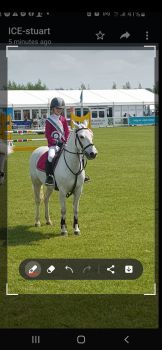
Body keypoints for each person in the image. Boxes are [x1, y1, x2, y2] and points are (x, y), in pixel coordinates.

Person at [45, 97, 90, 186]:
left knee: (80, 155)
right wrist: (56, 142)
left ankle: (82, 175)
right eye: (57, 108)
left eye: (60, 109)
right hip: (53, 145)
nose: (59, 110)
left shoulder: (63, 119)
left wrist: (66, 141)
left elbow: (67, 132)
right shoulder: (49, 120)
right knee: (50, 156)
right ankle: (49, 176)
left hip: (64, 144)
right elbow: (47, 134)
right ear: (53, 108)